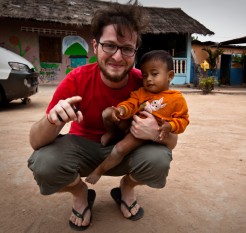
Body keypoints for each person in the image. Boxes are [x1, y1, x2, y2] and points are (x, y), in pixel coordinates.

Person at [27, 1, 178, 231]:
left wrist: (155, 132)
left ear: (134, 52)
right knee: (44, 163)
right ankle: (80, 194)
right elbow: (35, 142)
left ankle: (126, 187)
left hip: (126, 151)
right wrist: (52, 120)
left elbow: (172, 141)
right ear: (95, 46)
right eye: (109, 46)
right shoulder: (76, 79)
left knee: (159, 160)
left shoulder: (145, 82)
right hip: (83, 149)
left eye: (127, 48)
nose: (117, 56)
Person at [85, 50, 189, 185]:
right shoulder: (141, 93)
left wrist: (170, 126)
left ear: (170, 76)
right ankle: (111, 133)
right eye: (145, 76)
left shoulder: (177, 99)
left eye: (154, 74)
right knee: (107, 113)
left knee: (120, 149)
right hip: (134, 126)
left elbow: (183, 120)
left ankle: (99, 170)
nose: (149, 79)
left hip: (148, 135)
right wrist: (121, 109)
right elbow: (131, 104)